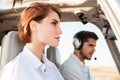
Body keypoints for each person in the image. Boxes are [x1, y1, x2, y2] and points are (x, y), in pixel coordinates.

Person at [0, 2, 64, 80]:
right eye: (54, 23)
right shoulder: (14, 69)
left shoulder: (52, 68)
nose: (60, 31)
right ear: (34, 26)